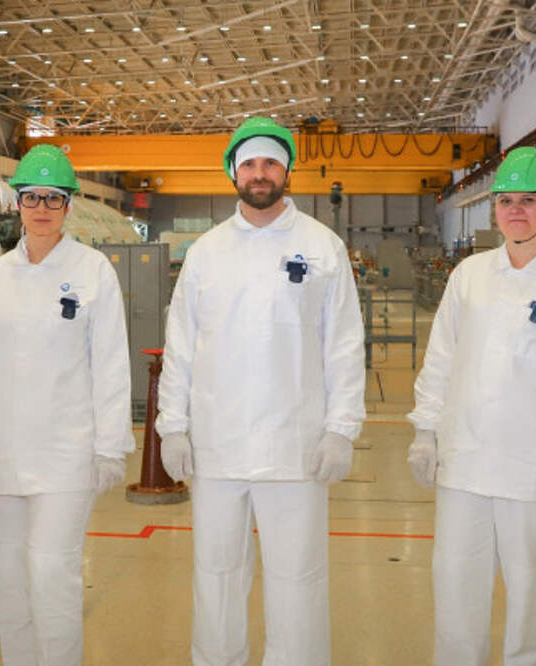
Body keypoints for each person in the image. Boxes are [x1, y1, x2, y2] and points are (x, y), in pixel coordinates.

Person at [157, 116, 366, 666]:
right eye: (249, 163)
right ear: (234, 172)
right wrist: (172, 425)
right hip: (217, 446)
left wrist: (341, 429)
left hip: (295, 448)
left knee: (298, 580)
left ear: (286, 170)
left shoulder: (322, 247)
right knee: (216, 577)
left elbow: (344, 344)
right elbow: (181, 344)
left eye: (270, 162)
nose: (259, 173)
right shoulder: (207, 252)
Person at [406, 147, 536, 666]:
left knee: (532, 602)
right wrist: (425, 431)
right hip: (464, 465)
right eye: (506, 201)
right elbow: (440, 360)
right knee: (456, 597)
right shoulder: (470, 276)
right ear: (494, 210)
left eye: (528, 200)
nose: (516, 210)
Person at [0, 144, 133, 665]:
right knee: (9, 579)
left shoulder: (92, 271)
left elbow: (110, 363)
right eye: (32, 197)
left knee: (51, 576)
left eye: (53, 198)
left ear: (68, 205)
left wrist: (111, 446)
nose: (41, 208)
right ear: (17, 203)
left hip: (65, 455)